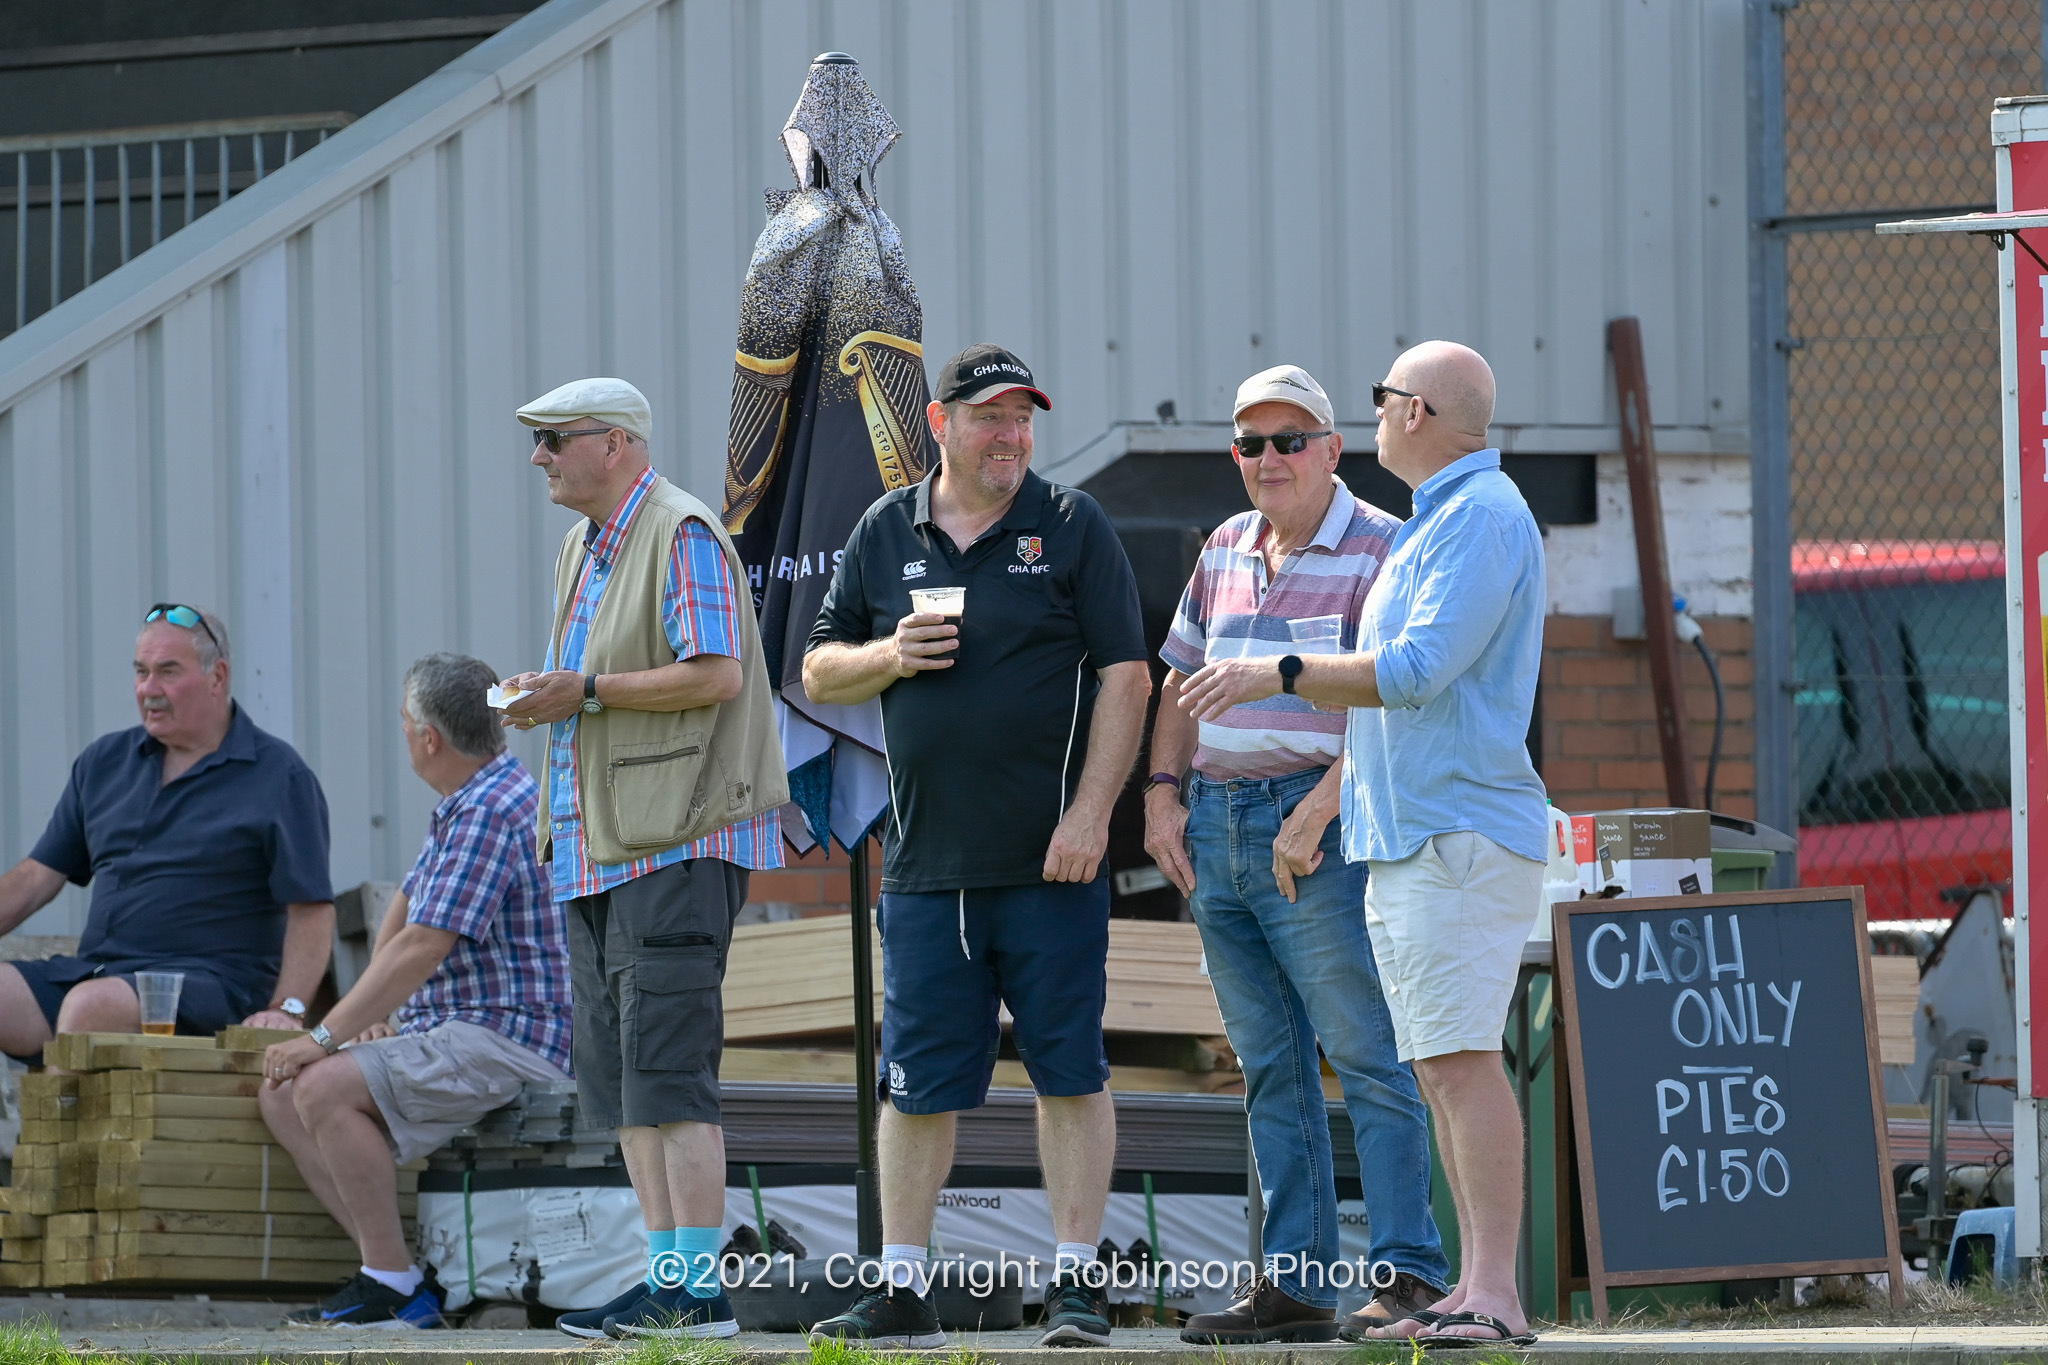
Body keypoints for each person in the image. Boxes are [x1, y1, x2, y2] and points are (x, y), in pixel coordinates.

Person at [1181, 341, 1545, 1348]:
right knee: (1430, 1062)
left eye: (1384, 401)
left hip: (1449, 831)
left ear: (1413, 414)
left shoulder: (1470, 519)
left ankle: (1469, 1290)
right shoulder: (1444, 519)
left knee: (1443, 1063)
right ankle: (1459, 1290)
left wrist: (1274, 677)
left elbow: (1417, 669)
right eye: (1247, 443)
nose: (1265, 456)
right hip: (1405, 834)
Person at [802, 345, 1151, 1349]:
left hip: (1052, 863)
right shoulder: (883, 529)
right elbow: (820, 669)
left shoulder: (1072, 524)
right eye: (990, 417)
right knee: (913, 1086)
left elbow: (1128, 675)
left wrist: (1091, 816)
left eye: (1022, 418)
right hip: (923, 869)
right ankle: (903, 1285)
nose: (1010, 436)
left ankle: (1075, 1283)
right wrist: (886, 653)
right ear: (939, 422)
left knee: (1069, 1075)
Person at [1145, 366, 1449, 1344]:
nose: (1267, 458)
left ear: (1331, 447)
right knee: (1269, 1068)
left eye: (1288, 439)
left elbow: (1392, 699)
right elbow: (1174, 679)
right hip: (1216, 827)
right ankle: (1296, 1285)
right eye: (1249, 442)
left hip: (1310, 834)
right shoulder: (1225, 546)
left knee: (1365, 1055)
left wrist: (1320, 807)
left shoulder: (1383, 549)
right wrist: (1159, 796)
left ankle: (1407, 1274)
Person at [499, 377, 787, 1341]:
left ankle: (697, 1293)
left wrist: (579, 688)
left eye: (553, 439)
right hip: (599, 852)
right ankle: (669, 1280)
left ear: (615, 444)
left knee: (669, 1081)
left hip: (673, 844)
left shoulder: (681, 530)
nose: (539, 456)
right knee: (624, 1088)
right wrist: (569, 695)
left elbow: (718, 674)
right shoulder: (583, 548)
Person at [258, 653, 571, 1329]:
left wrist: (323, 1037)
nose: (403, 732)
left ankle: (396, 1286)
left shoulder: (489, 810)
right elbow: (402, 915)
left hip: (509, 1035)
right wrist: (379, 1018)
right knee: (284, 1093)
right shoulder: (467, 801)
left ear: (428, 736)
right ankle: (397, 1272)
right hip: (464, 1023)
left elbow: (426, 945)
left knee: (317, 1084)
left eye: (405, 721)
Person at [0, 605, 333, 1060]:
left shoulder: (279, 776)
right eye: (141, 672)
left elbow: (311, 910)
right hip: (99, 975)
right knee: (78, 1002)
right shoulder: (104, 762)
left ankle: (55, 1131)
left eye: (167, 672)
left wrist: (287, 1011)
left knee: (90, 1009)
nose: (148, 690)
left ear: (218, 677)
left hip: (212, 990)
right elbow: (38, 876)